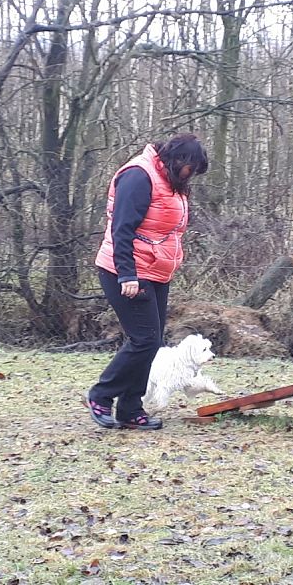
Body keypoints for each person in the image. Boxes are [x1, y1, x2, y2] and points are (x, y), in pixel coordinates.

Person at [87, 133, 208, 430]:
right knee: (145, 340)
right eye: (191, 169)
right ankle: (101, 395)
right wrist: (127, 274)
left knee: (149, 343)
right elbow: (121, 229)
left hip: (155, 270)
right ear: (180, 160)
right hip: (125, 270)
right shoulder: (139, 176)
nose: (190, 176)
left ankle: (130, 409)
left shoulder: (169, 181)